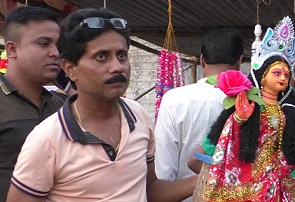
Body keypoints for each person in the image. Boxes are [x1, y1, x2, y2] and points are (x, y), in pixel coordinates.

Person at [6, 8, 197, 202]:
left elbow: (150, 190)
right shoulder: (48, 138)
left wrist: (205, 179)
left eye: (122, 55)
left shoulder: (137, 115)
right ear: (70, 69)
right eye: (101, 56)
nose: (117, 67)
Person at [188, 16, 295, 201]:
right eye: (277, 73)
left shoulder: (288, 111)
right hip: (249, 182)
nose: (283, 78)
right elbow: (201, 157)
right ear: (262, 75)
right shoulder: (249, 105)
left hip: (278, 183)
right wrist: (238, 119)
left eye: (287, 75)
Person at [154, 28, 244, 202]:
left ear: (202, 60)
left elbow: (163, 176)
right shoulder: (249, 103)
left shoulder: (173, 100)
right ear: (239, 62)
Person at [0, 6, 64, 202]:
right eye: (44, 44)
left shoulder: (64, 107)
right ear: (12, 49)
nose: (55, 53)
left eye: (57, 45)